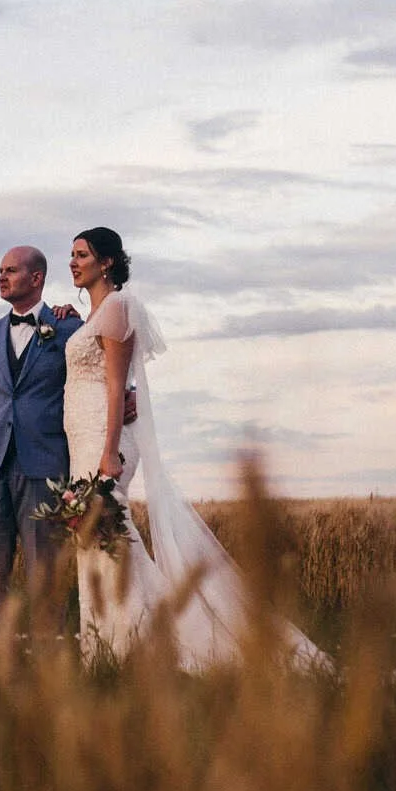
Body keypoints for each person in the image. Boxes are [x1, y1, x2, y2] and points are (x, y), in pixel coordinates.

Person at [64, 226, 330, 671]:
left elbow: (116, 385)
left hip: (103, 441)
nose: (73, 262)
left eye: (81, 255)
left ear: (106, 262)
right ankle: (108, 644)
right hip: (82, 439)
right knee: (92, 540)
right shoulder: (91, 315)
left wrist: (109, 451)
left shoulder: (118, 307)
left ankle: (144, 645)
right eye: (72, 255)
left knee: (110, 535)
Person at [0, 245, 135, 630]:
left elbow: (108, 367)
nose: (2, 277)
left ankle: (50, 653)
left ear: (36, 278)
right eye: (0, 271)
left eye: (10, 270)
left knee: (46, 576)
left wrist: (132, 393)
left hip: (46, 470)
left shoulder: (69, 330)